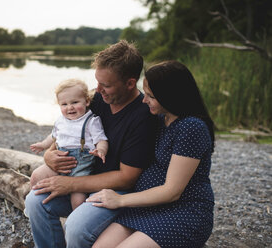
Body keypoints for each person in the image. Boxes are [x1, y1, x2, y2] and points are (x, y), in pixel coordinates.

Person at [24, 40, 158, 248]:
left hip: (117, 193)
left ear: (130, 83)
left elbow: (126, 179)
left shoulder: (142, 117)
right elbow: (68, 130)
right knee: (35, 201)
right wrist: (49, 155)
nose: (98, 90)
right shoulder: (98, 100)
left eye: (106, 85)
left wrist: (70, 185)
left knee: (76, 227)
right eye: (97, 82)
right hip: (82, 175)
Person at [87, 60, 215, 248]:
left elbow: (172, 191)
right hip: (147, 207)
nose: (144, 100)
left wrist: (120, 200)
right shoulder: (161, 118)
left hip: (184, 211)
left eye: (151, 96)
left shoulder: (191, 127)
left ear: (171, 97)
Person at [29, 78, 108, 210]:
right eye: (64, 104)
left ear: (87, 101)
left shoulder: (91, 121)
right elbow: (54, 136)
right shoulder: (61, 121)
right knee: (36, 176)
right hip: (60, 163)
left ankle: (73, 219)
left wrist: (101, 150)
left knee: (77, 201)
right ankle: (33, 201)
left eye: (75, 102)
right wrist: (43, 145)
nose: (69, 107)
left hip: (80, 168)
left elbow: (101, 139)